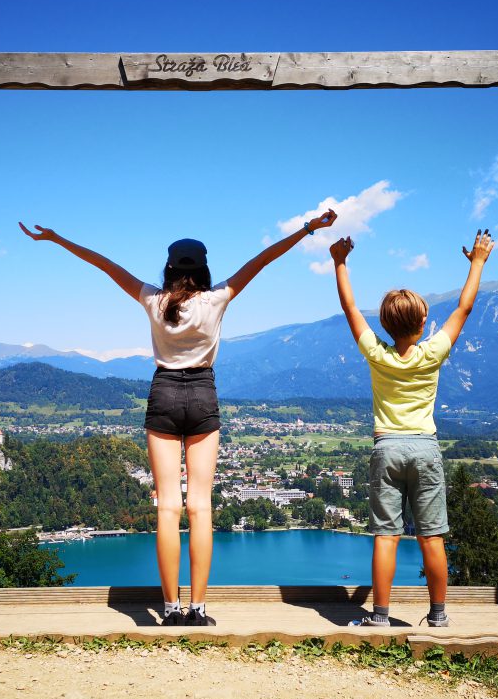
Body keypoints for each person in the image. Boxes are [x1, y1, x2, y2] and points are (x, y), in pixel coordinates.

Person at [19, 209, 337, 625]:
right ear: (204, 268)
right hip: (203, 395)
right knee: (200, 508)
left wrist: (59, 239)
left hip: (163, 394)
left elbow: (105, 265)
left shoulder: (153, 300)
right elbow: (264, 259)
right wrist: (309, 229)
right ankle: (198, 608)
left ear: (168, 268)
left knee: (168, 507)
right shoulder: (217, 298)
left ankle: (169, 611)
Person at [329, 228, 494, 627]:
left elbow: (351, 309)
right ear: (423, 322)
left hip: (386, 448)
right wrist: (478, 262)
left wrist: (339, 262)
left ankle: (380, 617)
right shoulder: (433, 352)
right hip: (424, 448)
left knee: (386, 535)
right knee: (431, 536)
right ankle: (438, 616)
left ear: (384, 323)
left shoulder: (375, 353)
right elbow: (464, 308)